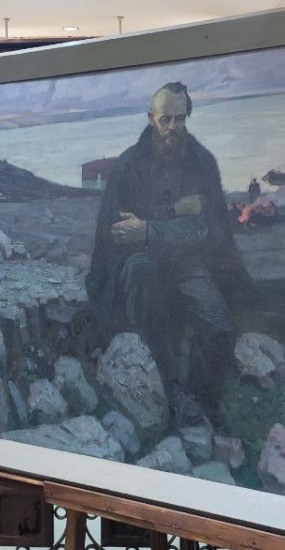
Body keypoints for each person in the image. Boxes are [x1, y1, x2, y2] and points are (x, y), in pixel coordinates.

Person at [86, 82, 249, 423]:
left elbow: (204, 229)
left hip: (187, 263)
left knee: (219, 324)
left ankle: (203, 402)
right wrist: (175, 212)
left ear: (187, 117)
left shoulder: (201, 163)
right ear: (151, 119)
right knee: (141, 275)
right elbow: (118, 231)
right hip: (139, 262)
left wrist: (148, 228)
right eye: (166, 120)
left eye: (179, 119)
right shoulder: (129, 165)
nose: (173, 127)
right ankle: (172, 389)